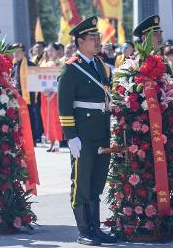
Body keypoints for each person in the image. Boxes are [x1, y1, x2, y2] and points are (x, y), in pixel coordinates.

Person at [57, 16, 117, 245]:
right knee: (81, 182)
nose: (98, 41)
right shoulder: (71, 69)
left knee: (96, 181)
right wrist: (71, 136)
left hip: (101, 132)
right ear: (80, 41)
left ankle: (95, 227)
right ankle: (84, 230)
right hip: (83, 135)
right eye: (93, 38)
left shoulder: (100, 65)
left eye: (98, 37)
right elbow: (64, 106)